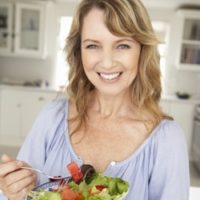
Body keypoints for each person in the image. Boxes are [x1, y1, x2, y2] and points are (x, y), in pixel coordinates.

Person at [0, 0, 190, 199]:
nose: (107, 62)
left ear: (142, 50)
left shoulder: (167, 139)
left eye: (123, 45)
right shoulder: (53, 116)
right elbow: (20, 195)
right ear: (78, 51)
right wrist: (13, 191)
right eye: (92, 45)